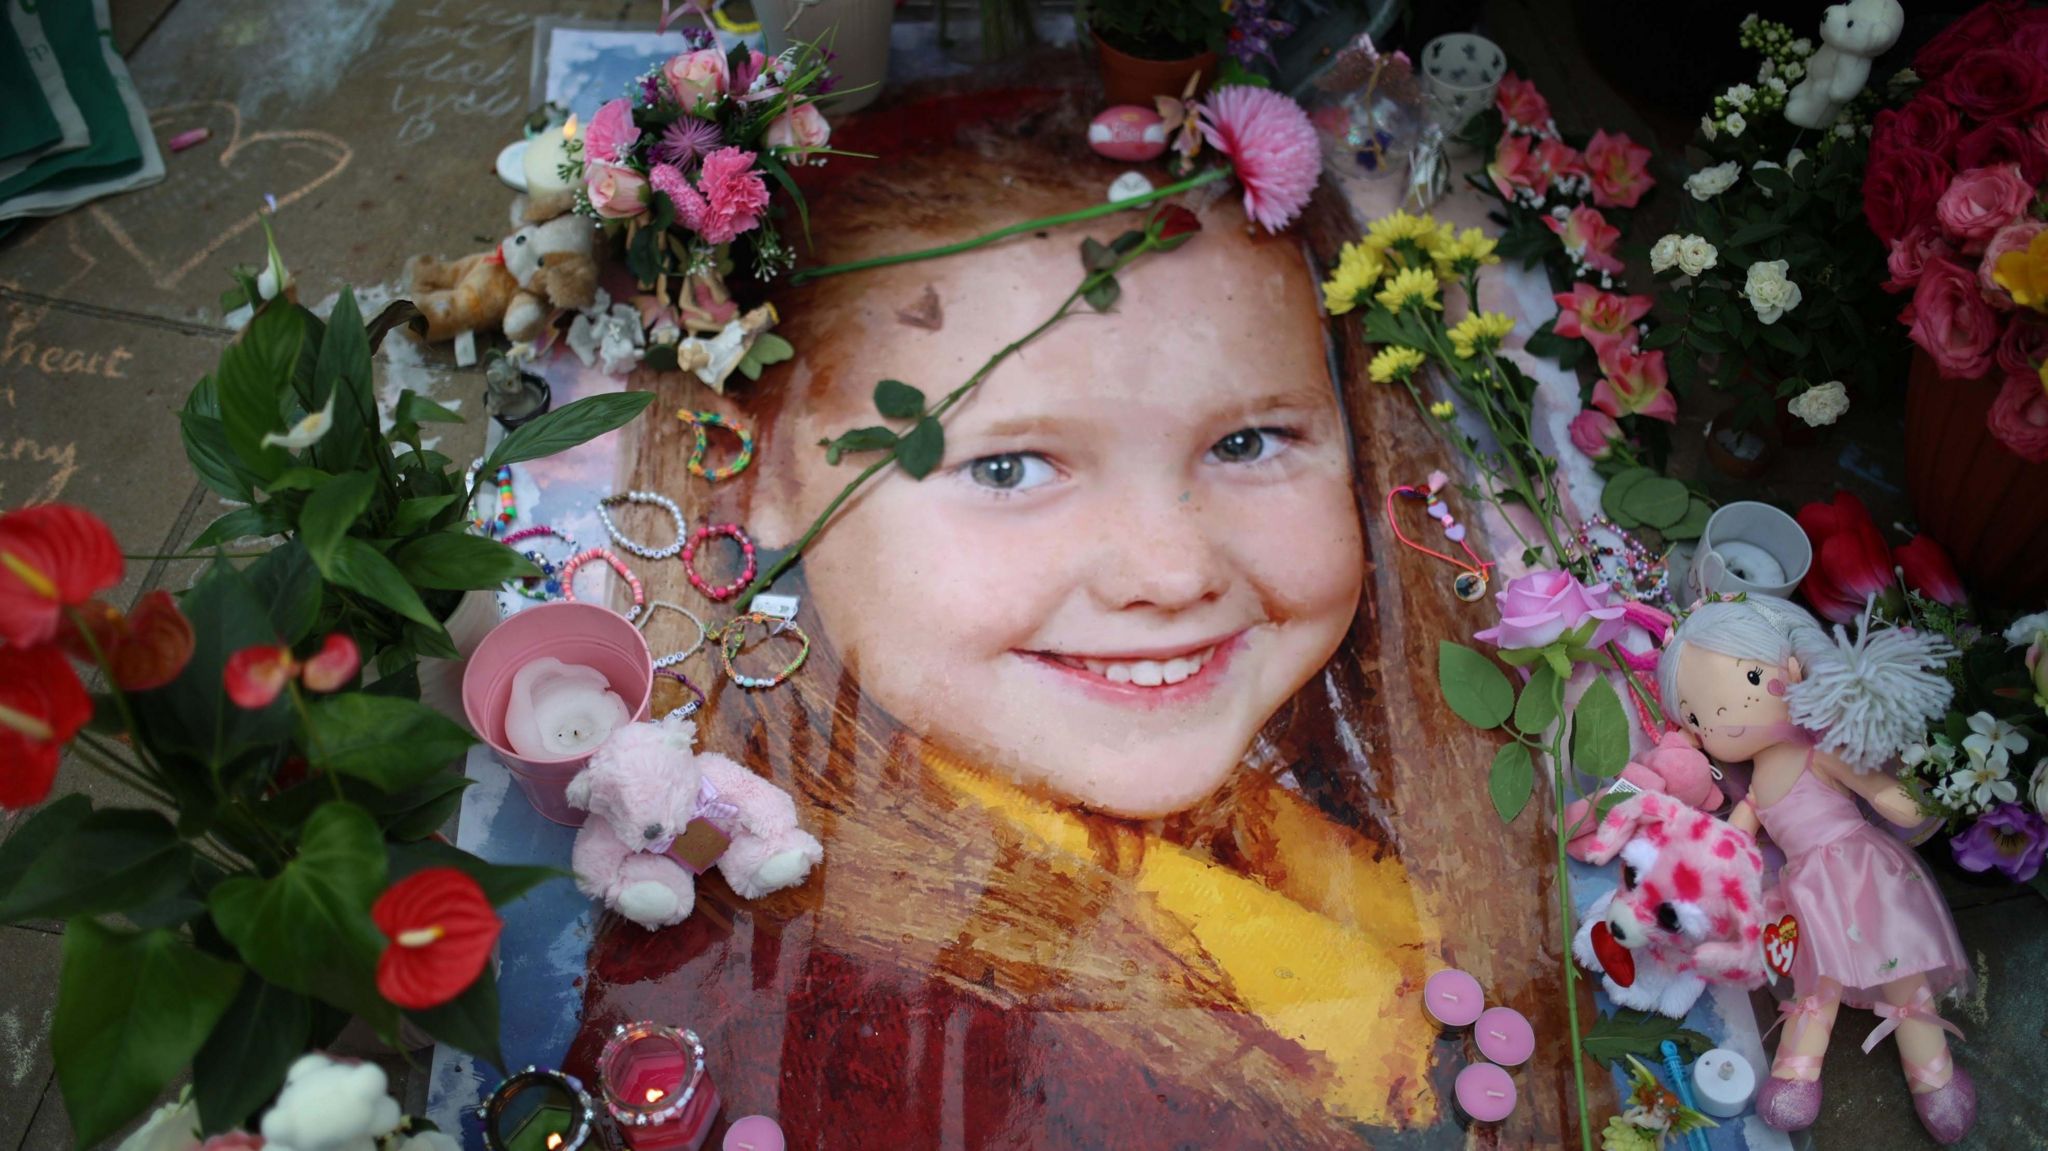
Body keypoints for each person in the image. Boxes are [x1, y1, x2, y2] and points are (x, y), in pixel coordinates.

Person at [571, 87, 1559, 1147]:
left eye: (1248, 442)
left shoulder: (1386, 762)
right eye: (1008, 465)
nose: (1171, 571)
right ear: (755, 465)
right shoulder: (853, 1041)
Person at [1661, 595, 1974, 1143]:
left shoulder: (1819, 752)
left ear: (1793, 668)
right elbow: (1733, 839)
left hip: (1861, 867)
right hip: (1808, 888)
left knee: (1903, 967)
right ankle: (1796, 1075)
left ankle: (1935, 1076)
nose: (1720, 719)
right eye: (1695, 716)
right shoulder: (1755, 788)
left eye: (1751, 677)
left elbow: (1883, 795)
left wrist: (1922, 797)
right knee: (1817, 977)